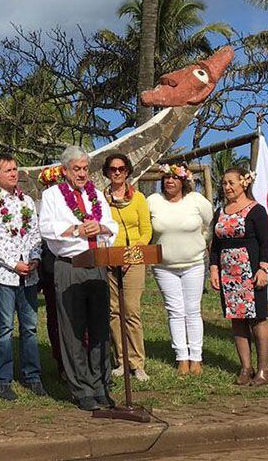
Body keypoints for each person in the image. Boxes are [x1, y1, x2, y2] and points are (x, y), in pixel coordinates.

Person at [39, 145, 118, 412]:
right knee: (73, 330)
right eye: (77, 169)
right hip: (69, 265)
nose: (83, 173)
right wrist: (75, 229)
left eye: (85, 168)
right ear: (65, 170)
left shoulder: (96, 195)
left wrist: (102, 227)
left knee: (99, 328)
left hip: (97, 264)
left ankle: (101, 384)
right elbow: (46, 228)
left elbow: (112, 225)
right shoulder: (52, 195)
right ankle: (81, 388)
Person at [0, 153, 45, 401]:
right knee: (5, 326)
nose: (14, 174)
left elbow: (35, 234)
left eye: (15, 169)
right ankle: (4, 378)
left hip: (29, 274)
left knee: (30, 326)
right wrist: (13, 263)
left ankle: (33, 376)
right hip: (4, 273)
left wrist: (35, 258)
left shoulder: (27, 201)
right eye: (8, 170)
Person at [147, 163, 214, 377]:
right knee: (175, 311)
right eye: (166, 177)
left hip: (194, 264)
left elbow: (212, 223)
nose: (170, 181)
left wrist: (203, 241)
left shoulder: (195, 200)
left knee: (192, 310)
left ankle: (196, 358)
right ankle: (181, 358)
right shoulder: (153, 201)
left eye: (174, 178)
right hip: (164, 266)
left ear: (183, 181)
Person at [210, 167, 268, 386]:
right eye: (224, 183)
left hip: (251, 270)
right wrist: (214, 269)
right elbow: (216, 245)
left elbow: (266, 242)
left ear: (243, 183)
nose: (227, 187)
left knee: (257, 318)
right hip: (228, 273)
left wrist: (263, 268)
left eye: (231, 183)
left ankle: (264, 368)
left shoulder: (256, 210)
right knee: (237, 319)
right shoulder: (220, 211)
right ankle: (246, 367)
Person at [103, 153, 152, 383]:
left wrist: (130, 256)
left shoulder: (139, 198)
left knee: (131, 310)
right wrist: (112, 255)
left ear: (127, 171)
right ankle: (121, 360)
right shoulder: (101, 199)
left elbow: (146, 231)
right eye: (113, 169)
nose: (117, 173)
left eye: (121, 169)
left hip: (133, 260)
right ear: (107, 172)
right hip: (110, 258)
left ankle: (137, 362)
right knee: (114, 311)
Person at [37, 165, 66, 381]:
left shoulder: (76, 203)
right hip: (50, 266)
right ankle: (61, 363)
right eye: (52, 184)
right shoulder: (41, 206)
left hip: (74, 262)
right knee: (55, 315)